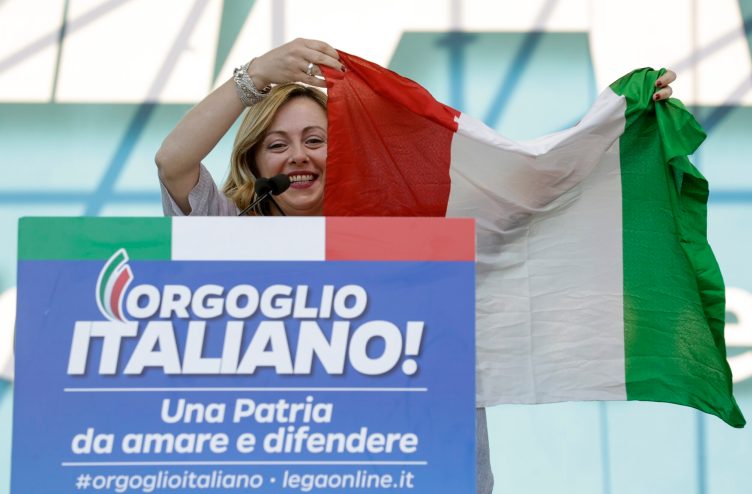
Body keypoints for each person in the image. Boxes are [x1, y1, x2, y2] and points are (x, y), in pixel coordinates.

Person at [156, 38, 678, 494]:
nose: (298, 157)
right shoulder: (232, 239)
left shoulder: (415, 235)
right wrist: (256, 77)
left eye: (316, 141)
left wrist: (619, 124)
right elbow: (173, 163)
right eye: (277, 145)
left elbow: (542, 193)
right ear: (253, 163)